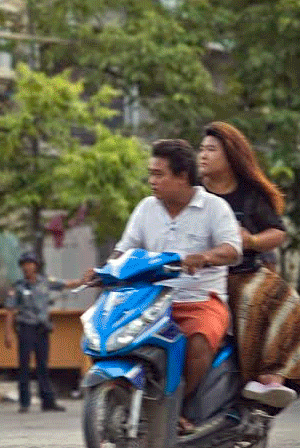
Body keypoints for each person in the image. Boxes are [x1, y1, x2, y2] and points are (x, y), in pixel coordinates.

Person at [96, 139, 241, 432]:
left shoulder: (214, 207)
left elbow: (232, 249)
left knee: (198, 340)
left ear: (183, 176)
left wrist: (205, 257)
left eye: (159, 174)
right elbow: (124, 249)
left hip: (201, 299)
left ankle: (182, 406)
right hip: (151, 299)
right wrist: (105, 270)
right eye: (151, 173)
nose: (152, 181)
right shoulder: (146, 208)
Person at [198, 121, 299, 407]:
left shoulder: (250, 195)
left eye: (211, 150)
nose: (203, 155)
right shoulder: (194, 194)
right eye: (201, 149)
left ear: (230, 155)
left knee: (282, 300)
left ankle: (269, 378)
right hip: (201, 276)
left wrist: (252, 241)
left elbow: (277, 231)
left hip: (245, 272)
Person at [4, 251, 82, 413]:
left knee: (43, 366)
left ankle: (48, 401)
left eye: (30, 264)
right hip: (26, 328)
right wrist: (8, 333)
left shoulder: (45, 282)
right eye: (25, 264)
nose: (27, 267)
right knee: (24, 366)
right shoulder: (18, 287)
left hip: (42, 329)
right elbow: (10, 311)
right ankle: (24, 402)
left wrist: (85, 281)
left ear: (36, 266)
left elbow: (65, 284)